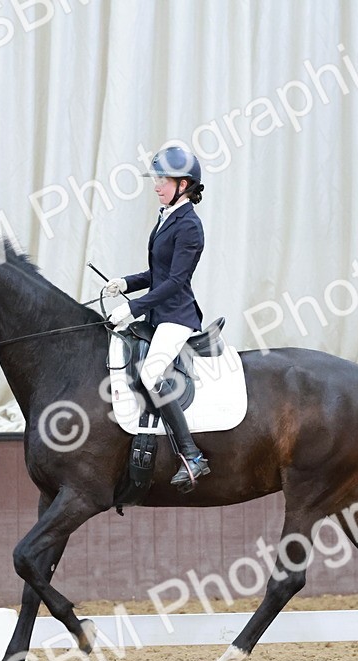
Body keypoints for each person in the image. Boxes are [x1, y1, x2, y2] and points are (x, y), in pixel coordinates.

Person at [105, 145, 210, 489]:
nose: (156, 185)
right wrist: (126, 283)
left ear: (183, 184)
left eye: (163, 180)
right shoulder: (167, 216)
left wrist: (133, 307)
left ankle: (192, 455)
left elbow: (177, 281)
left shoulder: (190, 226)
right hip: (158, 312)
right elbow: (158, 272)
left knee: (151, 374)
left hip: (177, 316)